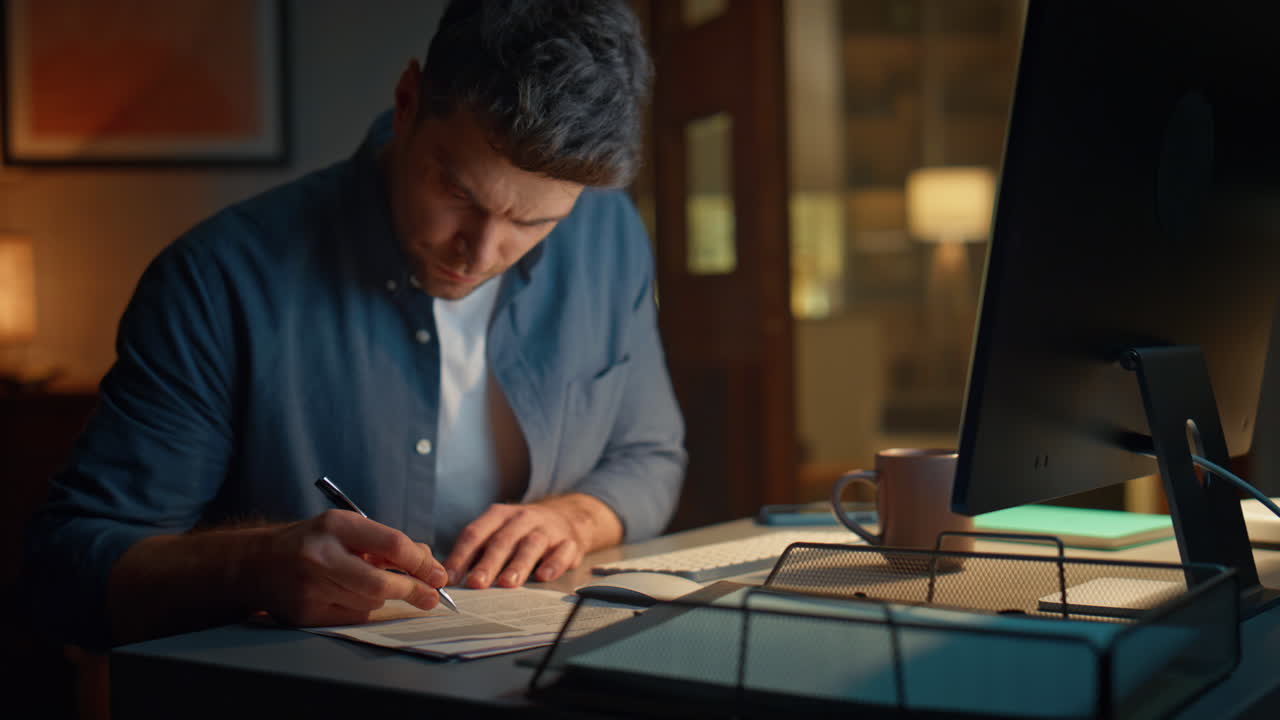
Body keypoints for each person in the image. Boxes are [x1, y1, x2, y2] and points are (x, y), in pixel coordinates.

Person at [23, 0, 685, 650]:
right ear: (407, 101)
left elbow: (649, 457)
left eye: (532, 223)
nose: (481, 255)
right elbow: (65, 572)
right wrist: (254, 564)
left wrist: (578, 516)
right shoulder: (218, 278)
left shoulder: (608, 233)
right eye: (458, 193)